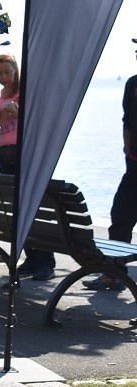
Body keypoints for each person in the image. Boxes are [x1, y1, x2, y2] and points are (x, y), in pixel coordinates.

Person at [0, 54, 55, 280]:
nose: (3, 77)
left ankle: (46, 261)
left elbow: (39, 120)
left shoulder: (25, 93)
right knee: (17, 210)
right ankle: (32, 256)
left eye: (7, 72)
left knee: (34, 207)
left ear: (16, 70)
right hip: (4, 155)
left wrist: (18, 113)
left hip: (25, 153)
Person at [84, 40, 137, 291]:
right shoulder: (132, 84)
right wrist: (127, 145)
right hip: (134, 167)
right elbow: (127, 119)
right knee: (120, 217)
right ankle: (114, 274)